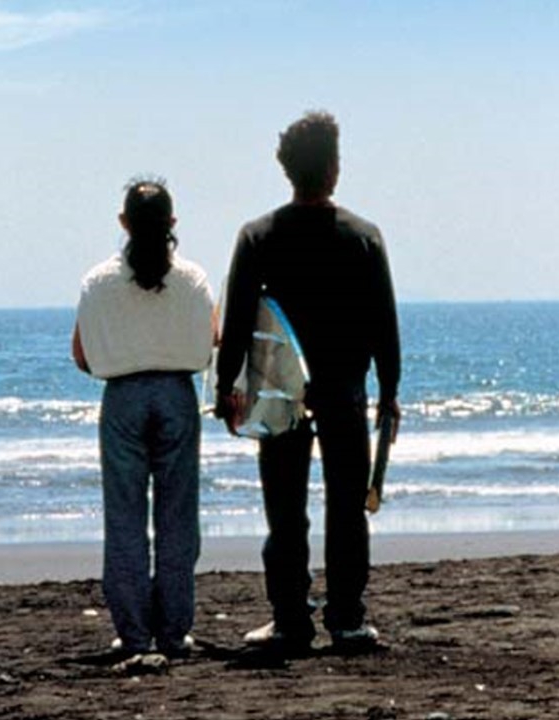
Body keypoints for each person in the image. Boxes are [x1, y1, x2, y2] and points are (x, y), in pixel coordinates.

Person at [214, 110, 401, 655]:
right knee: (347, 508)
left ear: (286, 169)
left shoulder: (258, 236)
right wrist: (390, 392)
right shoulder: (363, 236)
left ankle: (291, 619)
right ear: (334, 167)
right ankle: (346, 618)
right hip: (344, 389)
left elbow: (239, 320)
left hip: (280, 393)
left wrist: (226, 388)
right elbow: (384, 322)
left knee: (284, 510)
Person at [72, 178, 216, 660]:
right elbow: (210, 341)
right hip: (176, 394)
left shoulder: (98, 281)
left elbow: (82, 356)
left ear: (124, 223)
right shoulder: (192, 279)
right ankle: (173, 631)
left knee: (125, 518)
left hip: (123, 397)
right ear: (172, 223)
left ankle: (134, 632)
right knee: (177, 518)